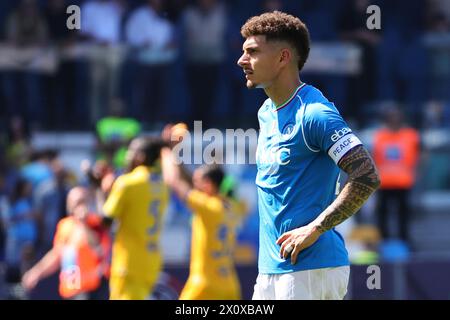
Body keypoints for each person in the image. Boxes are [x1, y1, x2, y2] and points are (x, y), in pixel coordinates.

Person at [237, 11, 380, 300]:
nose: (241, 60)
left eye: (252, 52)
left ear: (283, 57)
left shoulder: (314, 114)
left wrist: (316, 228)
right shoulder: (266, 112)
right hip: (271, 269)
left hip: (311, 270)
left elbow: (366, 175)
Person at [162, 148, 246, 299]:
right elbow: (192, 185)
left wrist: (166, 151)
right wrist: (177, 158)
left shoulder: (208, 207)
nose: (194, 186)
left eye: (197, 182)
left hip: (204, 285)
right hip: (230, 286)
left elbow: (174, 181)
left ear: (207, 185)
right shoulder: (234, 207)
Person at [98, 136, 169, 300]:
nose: (127, 155)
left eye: (131, 151)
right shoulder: (162, 185)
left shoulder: (127, 183)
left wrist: (102, 190)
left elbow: (105, 221)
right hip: (151, 261)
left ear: (140, 157)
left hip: (129, 261)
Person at [21, 186, 111, 300]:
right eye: (75, 203)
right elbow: (57, 255)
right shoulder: (65, 225)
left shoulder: (96, 224)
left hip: (92, 290)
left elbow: (99, 250)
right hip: (71, 290)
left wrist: (83, 224)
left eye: (82, 201)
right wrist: (36, 272)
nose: (79, 206)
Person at [372, 105, 420, 244]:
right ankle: (383, 239)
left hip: (403, 182)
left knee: (403, 214)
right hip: (384, 182)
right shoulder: (379, 136)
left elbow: (420, 154)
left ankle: (404, 239)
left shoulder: (411, 135)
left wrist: (416, 171)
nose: (394, 120)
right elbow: (373, 157)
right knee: (382, 213)